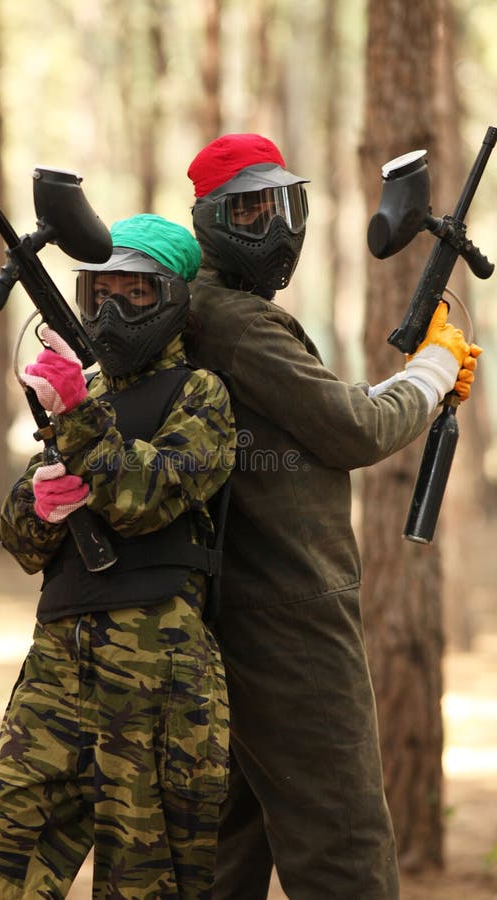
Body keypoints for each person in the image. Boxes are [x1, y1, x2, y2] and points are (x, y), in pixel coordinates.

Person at [184, 132, 482, 900]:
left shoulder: (205, 310)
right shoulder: (236, 320)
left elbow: (314, 412)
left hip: (227, 610)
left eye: (279, 205)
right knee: (344, 852)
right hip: (289, 617)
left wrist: (414, 375)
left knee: (227, 857)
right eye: (248, 210)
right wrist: (433, 368)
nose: (274, 227)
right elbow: (351, 429)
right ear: (210, 221)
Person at [0, 214, 236, 899]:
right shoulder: (88, 393)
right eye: (100, 292)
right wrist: (40, 505)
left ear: (172, 299)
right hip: (58, 666)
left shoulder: (200, 395)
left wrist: (76, 416)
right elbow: (18, 543)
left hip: (159, 677)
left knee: (149, 883)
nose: (114, 309)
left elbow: (149, 496)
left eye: (135, 293)